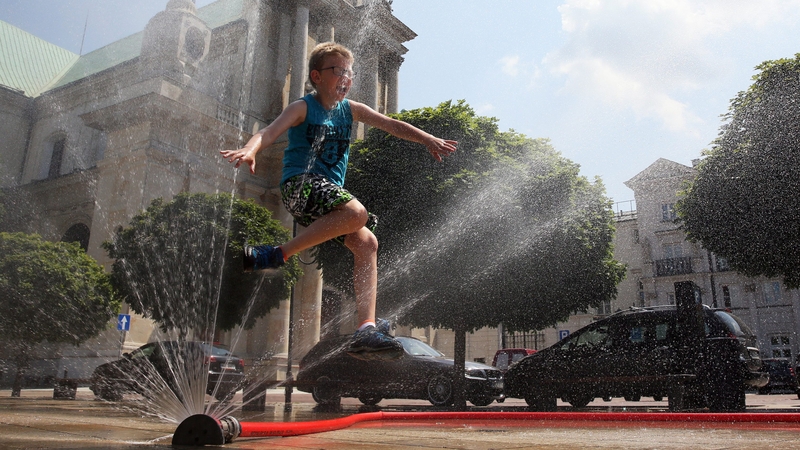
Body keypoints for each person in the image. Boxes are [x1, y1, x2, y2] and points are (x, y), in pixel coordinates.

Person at [220, 42, 457, 360]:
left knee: (368, 244)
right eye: (338, 71)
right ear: (317, 76)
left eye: (349, 72)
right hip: (300, 186)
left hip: (326, 199)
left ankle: (366, 329)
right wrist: (250, 149)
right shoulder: (302, 107)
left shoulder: (352, 110)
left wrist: (427, 138)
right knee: (357, 212)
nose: (345, 77)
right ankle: (278, 255)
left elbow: (391, 125)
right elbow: (269, 132)